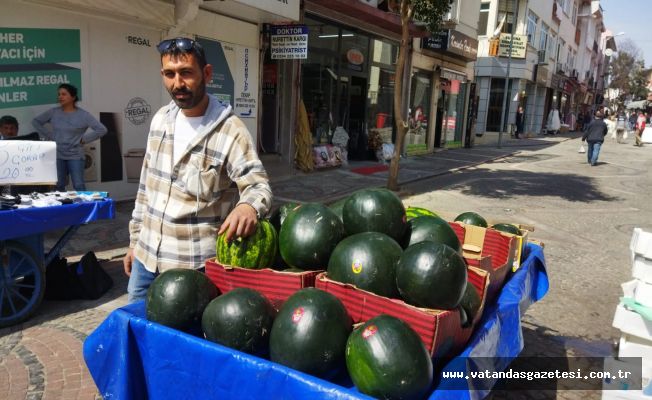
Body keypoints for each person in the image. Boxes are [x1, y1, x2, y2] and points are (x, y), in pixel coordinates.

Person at [123, 37, 273, 303]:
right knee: (137, 334)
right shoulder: (160, 120)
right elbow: (146, 188)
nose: (177, 83)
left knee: (178, 340)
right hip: (146, 261)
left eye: (186, 73)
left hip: (193, 269)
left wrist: (248, 206)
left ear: (207, 73)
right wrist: (135, 242)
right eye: (169, 74)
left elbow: (258, 185)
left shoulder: (231, 130)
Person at [32, 84, 107, 191]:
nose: (60, 97)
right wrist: (50, 135)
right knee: (59, 185)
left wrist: (83, 139)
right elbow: (36, 122)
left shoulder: (83, 115)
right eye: (59, 94)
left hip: (75, 155)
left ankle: (82, 207)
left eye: (64, 94)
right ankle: (62, 207)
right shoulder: (54, 112)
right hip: (58, 154)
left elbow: (102, 129)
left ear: (73, 97)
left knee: (79, 185)